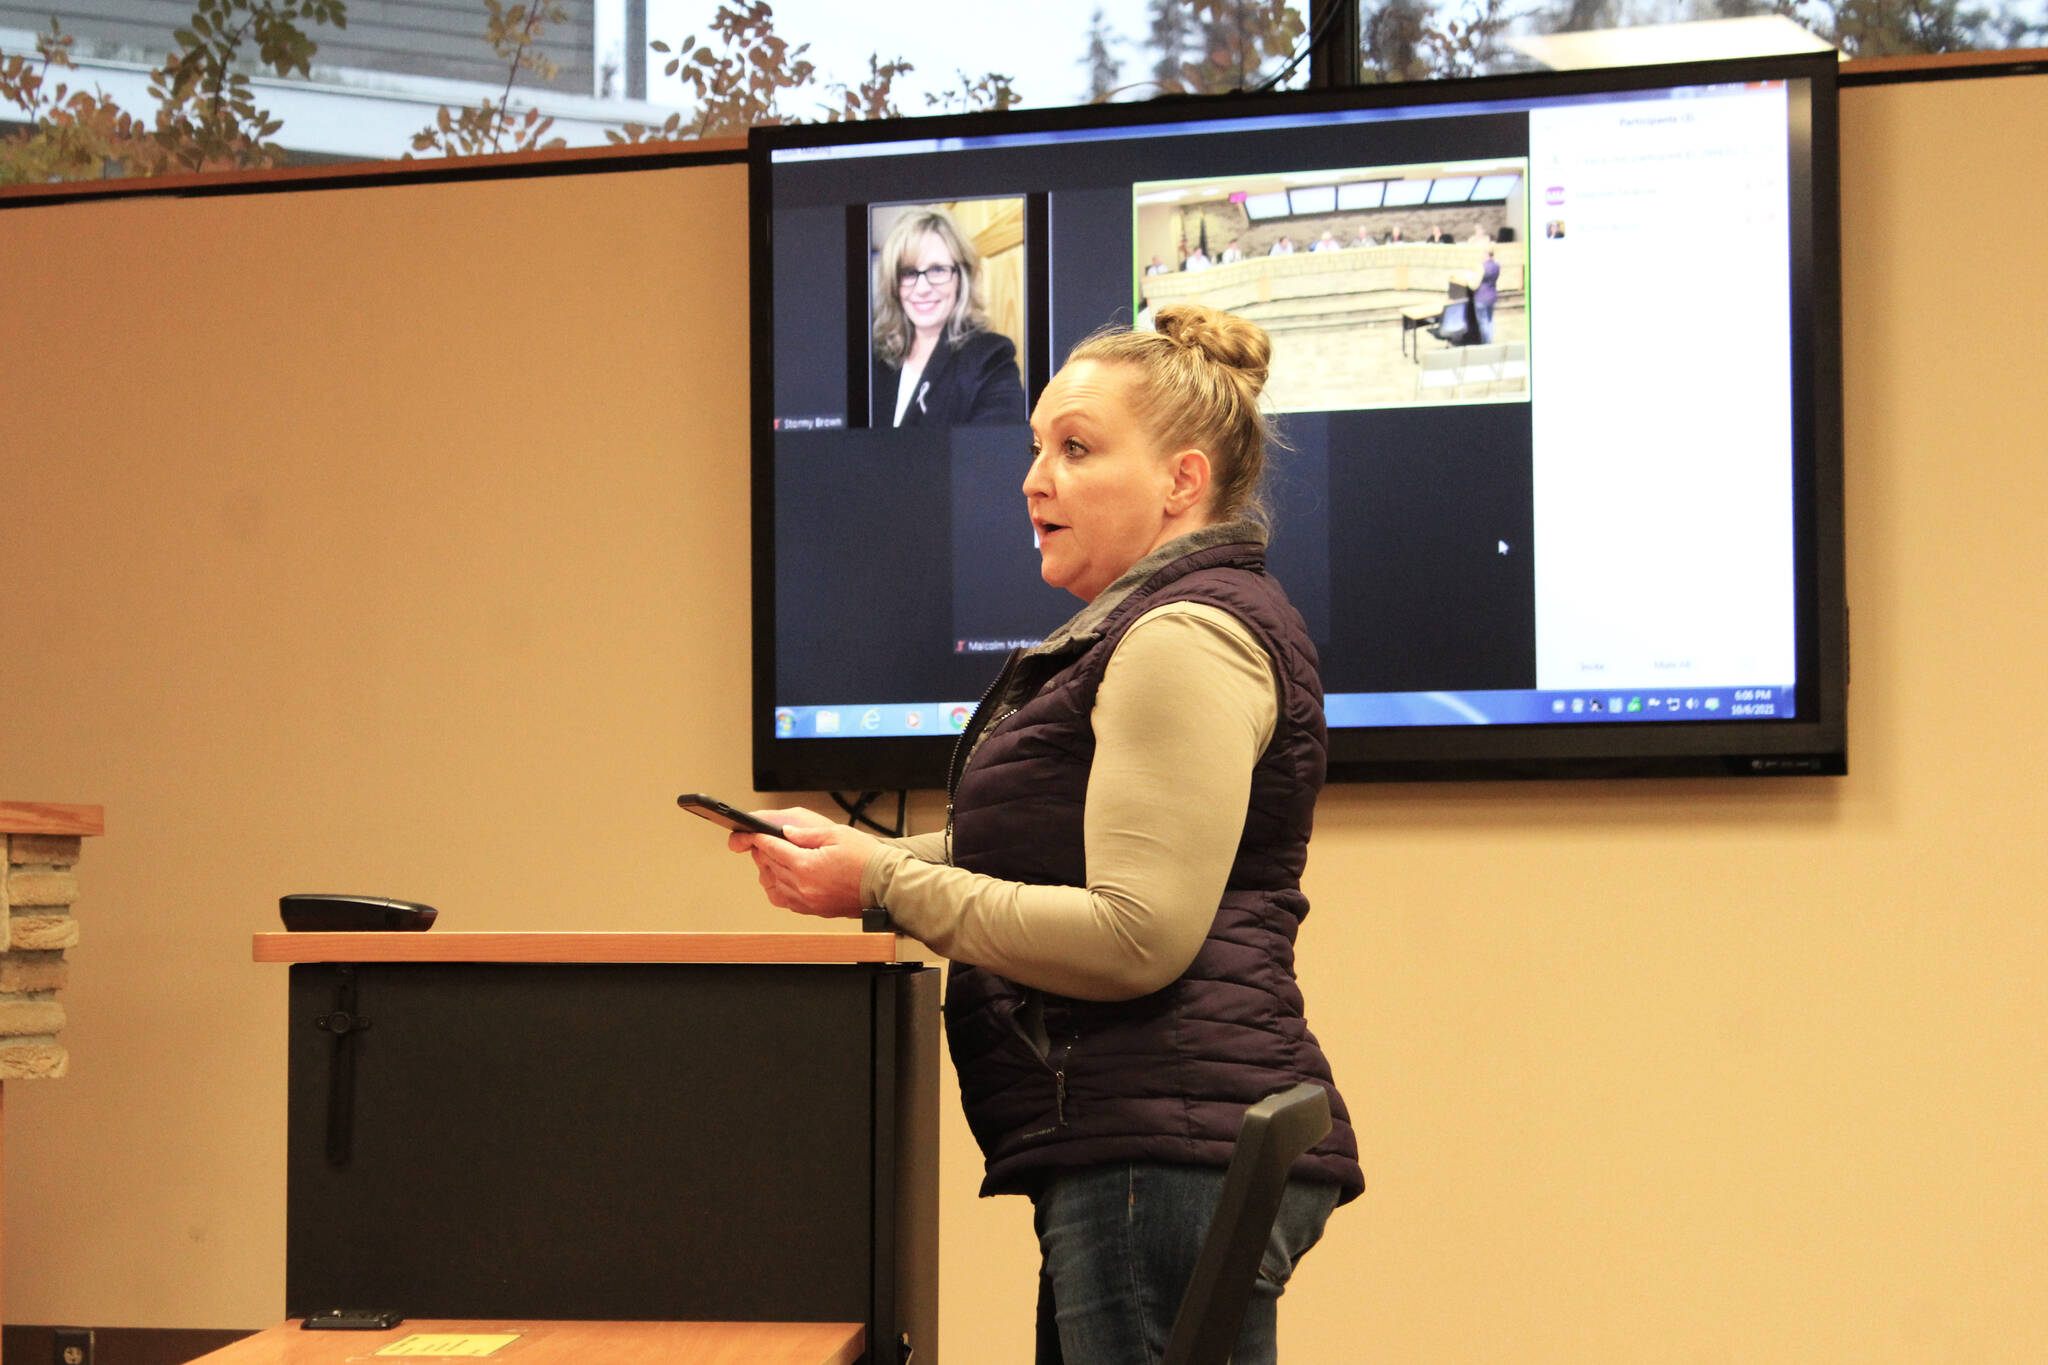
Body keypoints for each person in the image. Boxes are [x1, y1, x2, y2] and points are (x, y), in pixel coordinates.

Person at [729, 303, 1360, 1365]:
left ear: (1181, 482)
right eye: (1034, 449)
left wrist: (883, 876)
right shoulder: (1154, 625)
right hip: (1149, 1141)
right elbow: (1044, 852)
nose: (1033, 479)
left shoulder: (1183, 637)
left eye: (1075, 448)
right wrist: (862, 868)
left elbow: (1132, 934)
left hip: (1157, 1151)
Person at [872, 206, 1026, 428]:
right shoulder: (875, 354)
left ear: (960, 278)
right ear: (893, 283)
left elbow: (994, 455)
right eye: (908, 272)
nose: (922, 288)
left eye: (937, 270)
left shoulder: (991, 358)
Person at [1473, 246, 1500, 343]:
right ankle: (1490, 340)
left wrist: (1469, 281)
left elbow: (1475, 284)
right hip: (1492, 295)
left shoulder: (1482, 266)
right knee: (1490, 320)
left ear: (1486, 254)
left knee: (1483, 321)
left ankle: (1486, 342)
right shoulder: (1497, 265)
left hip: (1481, 297)